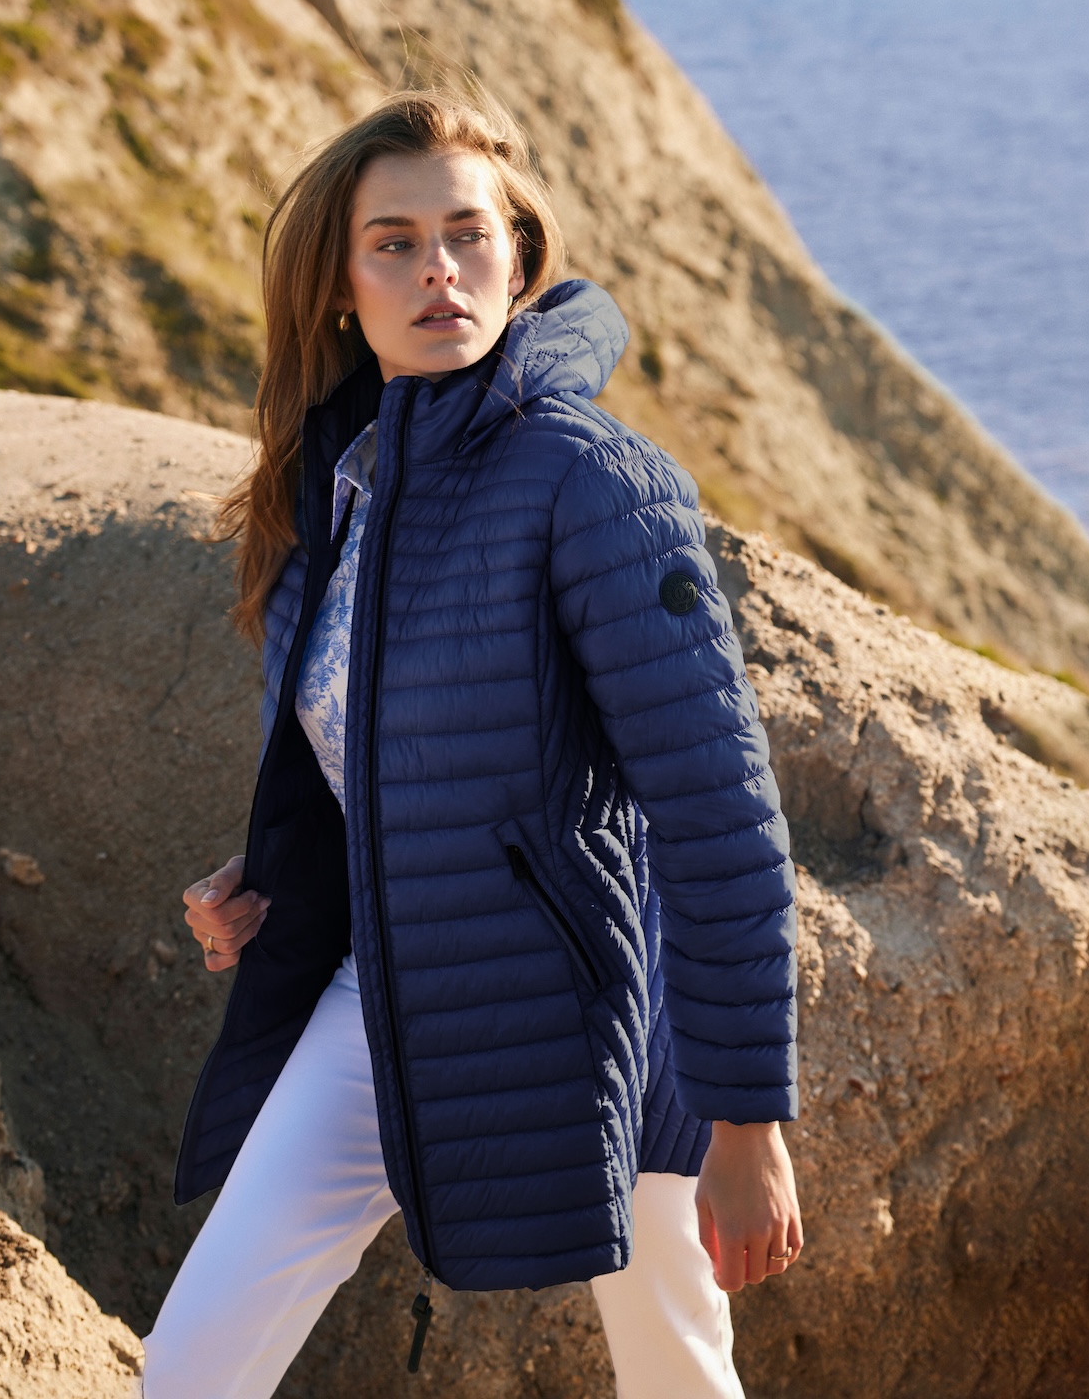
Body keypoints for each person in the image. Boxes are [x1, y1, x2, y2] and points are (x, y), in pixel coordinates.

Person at [141, 89, 802, 1399]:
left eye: (467, 234)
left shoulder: (594, 481)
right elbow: (373, 761)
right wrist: (272, 881)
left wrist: (748, 1122)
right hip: (381, 998)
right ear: (340, 288)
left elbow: (719, 809)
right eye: (393, 243)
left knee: (674, 1371)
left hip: (596, 1014)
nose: (437, 269)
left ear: (517, 257)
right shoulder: (335, 486)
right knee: (191, 1366)